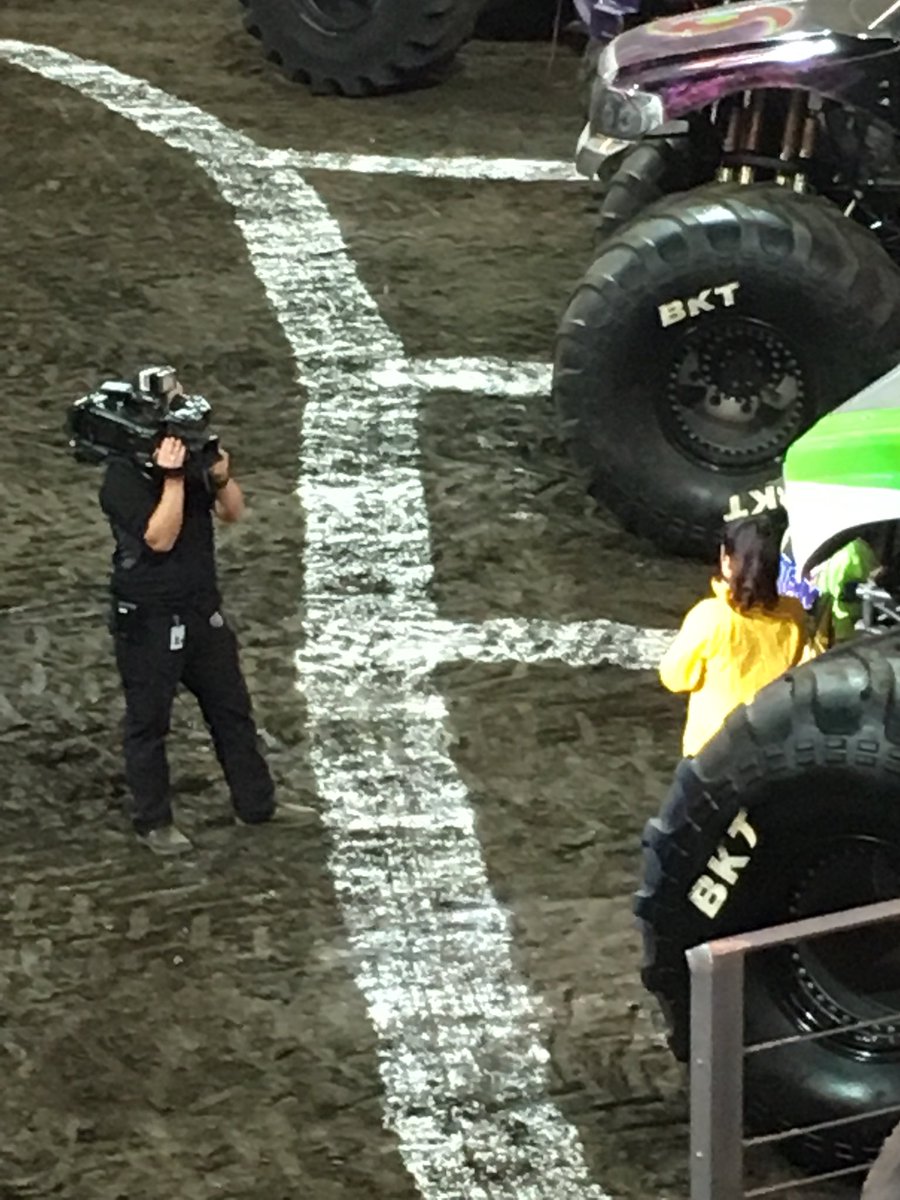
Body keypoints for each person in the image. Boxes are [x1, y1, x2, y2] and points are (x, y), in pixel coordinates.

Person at [99, 398, 283, 855]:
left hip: (202, 610)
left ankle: (256, 805)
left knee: (232, 711)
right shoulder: (122, 480)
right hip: (149, 620)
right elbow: (159, 538)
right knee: (149, 724)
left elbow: (233, 511)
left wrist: (218, 477)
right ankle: (154, 822)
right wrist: (174, 480)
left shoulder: (190, 464)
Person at [660, 515, 810, 759]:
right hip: (768, 744)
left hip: (712, 751)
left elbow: (675, 678)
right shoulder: (793, 613)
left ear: (727, 562)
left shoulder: (711, 616)